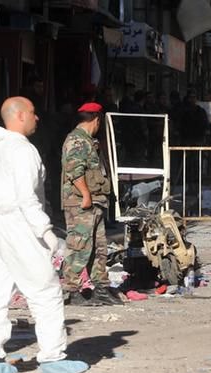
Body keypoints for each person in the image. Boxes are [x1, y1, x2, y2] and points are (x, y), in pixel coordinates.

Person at [0, 96, 89, 373]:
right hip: (19, 224)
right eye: (33, 113)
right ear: (20, 116)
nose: (38, 118)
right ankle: (52, 356)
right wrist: (48, 234)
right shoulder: (23, 150)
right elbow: (27, 198)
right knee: (46, 291)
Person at [61, 102, 123, 306]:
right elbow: (74, 171)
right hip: (80, 203)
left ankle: (101, 287)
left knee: (99, 247)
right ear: (97, 119)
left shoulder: (89, 141)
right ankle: (72, 289)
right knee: (79, 246)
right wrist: (86, 194)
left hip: (95, 201)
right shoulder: (76, 141)